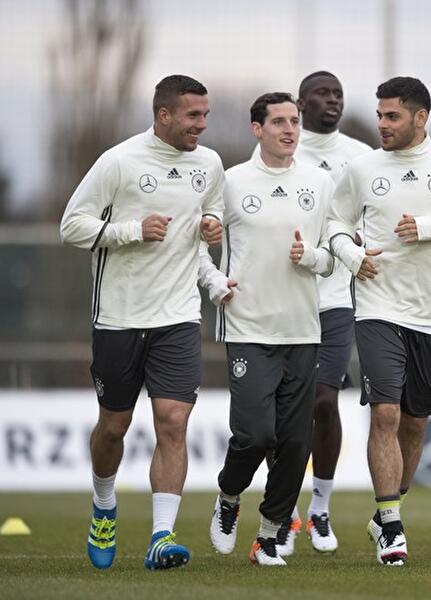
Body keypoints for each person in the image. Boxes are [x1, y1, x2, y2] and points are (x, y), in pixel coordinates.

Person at [326, 76, 431, 566]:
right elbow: (334, 225)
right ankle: (392, 525)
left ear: (420, 118)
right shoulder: (361, 170)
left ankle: (386, 509)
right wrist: (350, 256)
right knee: (385, 412)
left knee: (415, 424)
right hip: (378, 309)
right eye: (379, 115)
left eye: (392, 116)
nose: (382, 124)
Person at [60, 74, 225, 570]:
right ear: (164, 115)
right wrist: (132, 230)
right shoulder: (119, 161)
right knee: (114, 427)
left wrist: (211, 227)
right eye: (193, 115)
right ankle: (105, 505)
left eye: (205, 115)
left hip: (177, 318)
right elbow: (72, 226)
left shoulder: (210, 164)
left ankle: (161, 536)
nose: (202, 124)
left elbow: (208, 221)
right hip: (119, 318)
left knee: (173, 422)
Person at [201, 92, 334, 567]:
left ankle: (270, 535)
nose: (289, 129)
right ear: (257, 129)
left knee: (296, 444)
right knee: (256, 435)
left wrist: (312, 257)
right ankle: (228, 497)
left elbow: (332, 249)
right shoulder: (232, 182)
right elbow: (200, 243)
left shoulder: (320, 182)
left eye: (294, 121)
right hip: (248, 327)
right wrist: (214, 280)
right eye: (278, 121)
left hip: (302, 330)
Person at [253, 71, 371, 555]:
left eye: (338, 93)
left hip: (335, 299)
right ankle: (285, 510)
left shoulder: (361, 157)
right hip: (282, 301)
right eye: (321, 94)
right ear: (300, 105)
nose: (332, 101)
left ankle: (319, 508)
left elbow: (371, 217)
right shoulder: (279, 152)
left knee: (324, 402)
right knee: (279, 413)